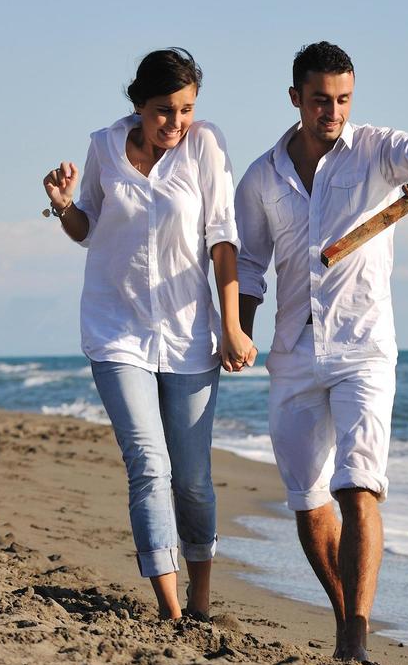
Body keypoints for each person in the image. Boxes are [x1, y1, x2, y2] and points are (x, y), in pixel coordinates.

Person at [235, 41, 408, 661]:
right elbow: (252, 265)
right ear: (295, 99)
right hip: (291, 354)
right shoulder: (262, 177)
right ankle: (344, 616)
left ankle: (356, 636)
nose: (332, 112)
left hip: (365, 349)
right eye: (320, 101)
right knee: (309, 501)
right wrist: (240, 328)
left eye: (342, 99)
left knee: (358, 485)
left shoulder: (375, 148)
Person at [41, 47, 257, 621]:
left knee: (192, 480)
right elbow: (86, 226)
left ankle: (201, 594)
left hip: (189, 334)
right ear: (138, 105)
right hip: (117, 329)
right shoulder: (103, 147)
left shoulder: (205, 146)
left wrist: (232, 326)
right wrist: (62, 205)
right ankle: (169, 609)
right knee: (147, 462)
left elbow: (223, 240)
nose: (176, 123)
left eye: (186, 109)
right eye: (164, 110)